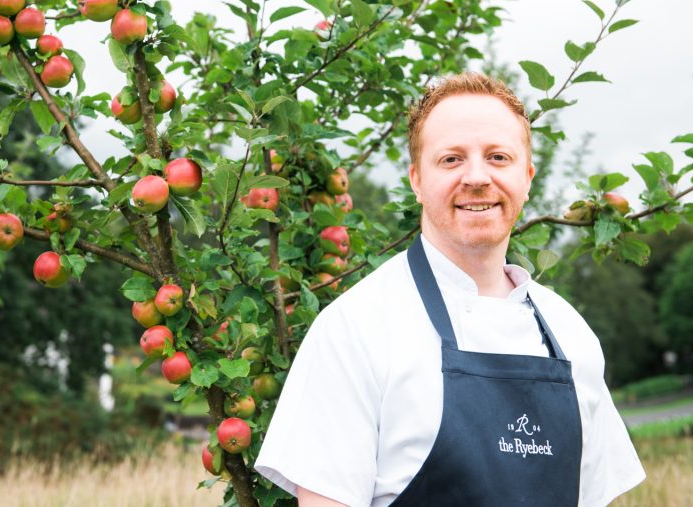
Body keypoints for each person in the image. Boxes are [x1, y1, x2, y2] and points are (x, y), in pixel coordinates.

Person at [255, 73, 645, 506]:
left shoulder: (572, 335)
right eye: (451, 159)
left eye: (498, 157)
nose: (477, 177)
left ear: (528, 176)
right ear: (416, 180)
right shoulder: (354, 329)